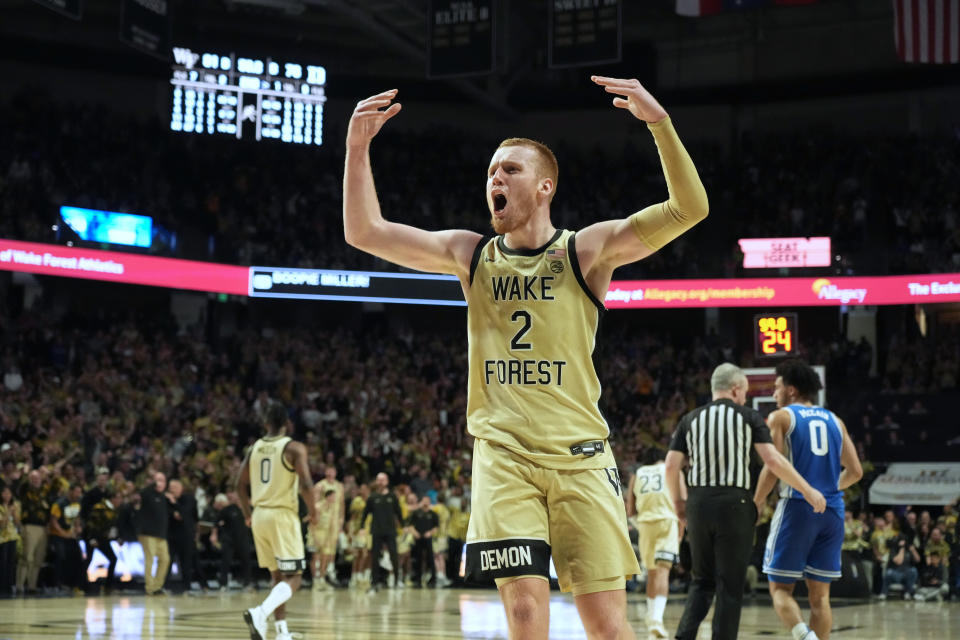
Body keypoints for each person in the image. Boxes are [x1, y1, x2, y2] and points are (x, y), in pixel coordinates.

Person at [344, 75, 708, 638]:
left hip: (581, 457)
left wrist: (659, 124)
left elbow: (690, 208)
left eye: (510, 170)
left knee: (609, 626)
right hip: (505, 456)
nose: (496, 177)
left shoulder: (584, 250)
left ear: (544, 188)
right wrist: (356, 147)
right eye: (491, 170)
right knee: (521, 612)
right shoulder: (471, 254)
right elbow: (365, 231)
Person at [665, 363, 827, 640]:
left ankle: (683, 637)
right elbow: (774, 460)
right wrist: (808, 489)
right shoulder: (747, 416)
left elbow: (671, 467)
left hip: (698, 504)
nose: (745, 398)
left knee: (701, 581)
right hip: (735, 504)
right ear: (736, 389)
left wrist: (679, 504)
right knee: (730, 585)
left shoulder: (689, 419)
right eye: (744, 393)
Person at [753, 360, 863, 640]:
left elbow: (772, 465)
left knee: (779, 589)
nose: (774, 393)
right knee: (820, 597)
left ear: (791, 390)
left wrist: (757, 502)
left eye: (777, 387)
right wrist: (826, 490)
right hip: (832, 510)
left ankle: (805, 636)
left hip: (798, 508)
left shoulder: (781, 417)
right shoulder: (836, 420)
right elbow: (856, 471)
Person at [238, 403, 317, 640]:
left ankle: (282, 632)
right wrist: (314, 512)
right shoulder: (294, 448)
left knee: (277, 577)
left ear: (265, 424)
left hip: (260, 514)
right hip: (282, 515)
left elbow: (238, 486)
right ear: (288, 424)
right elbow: (306, 484)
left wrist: (247, 514)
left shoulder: (254, 448)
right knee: (295, 577)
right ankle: (260, 612)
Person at [626, 448, 681, 638]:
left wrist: (640, 525)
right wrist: (680, 532)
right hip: (667, 521)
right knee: (663, 572)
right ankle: (657, 620)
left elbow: (630, 509)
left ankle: (652, 616)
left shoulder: (638, 473)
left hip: (646, 524)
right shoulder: (671, 469)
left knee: (651, 572)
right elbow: (682, 503)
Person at [360, 472, 403, 592]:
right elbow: (365, 513)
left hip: (390, 530)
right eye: (379, 480)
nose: (381, 482)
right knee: (374, 557)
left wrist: (403, 525)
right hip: (377, 530)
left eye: (383, 480)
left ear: (387, 481)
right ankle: (374, 582)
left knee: (394, 555)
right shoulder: (373, 497)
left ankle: (396, 580)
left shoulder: (392, 496)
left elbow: (398, 512)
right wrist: (362, 527)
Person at [210, 492, 252, 591]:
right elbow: (216, 523)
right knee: (225, 562)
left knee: (246, 561)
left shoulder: (248, 509)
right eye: (236, 497)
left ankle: (247, 583)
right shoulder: (228, 509)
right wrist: (214, 535)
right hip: (229, 540)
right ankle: (223, 584)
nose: (238, 499)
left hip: (243, 539)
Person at [138, 472, 171, 596]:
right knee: (150, 560)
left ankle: (158, 586)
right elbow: (142, 493)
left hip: (161, 535)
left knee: (165, 559)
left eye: (163, 480)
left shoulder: (164, 497)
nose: (160, 483)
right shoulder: (147, 494)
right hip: (148, 533)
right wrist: (152, 484)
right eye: (158, 480)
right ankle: (150, 587)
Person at [166, 479, 201, 592]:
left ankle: (187, 587)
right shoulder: (166, 500)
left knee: (187, 562)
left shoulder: (189, 499)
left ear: (181, 488)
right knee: (167, 562)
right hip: (171, 536)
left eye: (175, 487)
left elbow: (186, 514)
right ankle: (164, 586)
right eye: (171, 487)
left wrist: (174, 504)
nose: (172, 490)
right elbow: (169, 514)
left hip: (187, 535)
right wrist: (174, 511)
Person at [309, 488, 340, 591]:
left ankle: (322, 580)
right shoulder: (318, 507)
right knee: (316, 558)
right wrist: (314, 537)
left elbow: (331, 523)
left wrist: (332, 537)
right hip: (317, 534)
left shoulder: (331, 508)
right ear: (328, 496)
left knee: (325, 557)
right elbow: (313, 523)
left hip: (326, 535)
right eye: (333, 496)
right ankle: (315, 581)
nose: (335, 498)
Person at [406, 496, 439, 588]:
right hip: (418, 539)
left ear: (429, 502)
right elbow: (410, 525)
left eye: (427, 501)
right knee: (417, 559)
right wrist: (414, 533)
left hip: (428, 539)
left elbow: (436, 527)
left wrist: (430, 532)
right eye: (424, 501)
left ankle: (432, 580)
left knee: (430, 559)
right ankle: (417, 580)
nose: (425, 503)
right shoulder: (416, 513)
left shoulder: (433, 514)